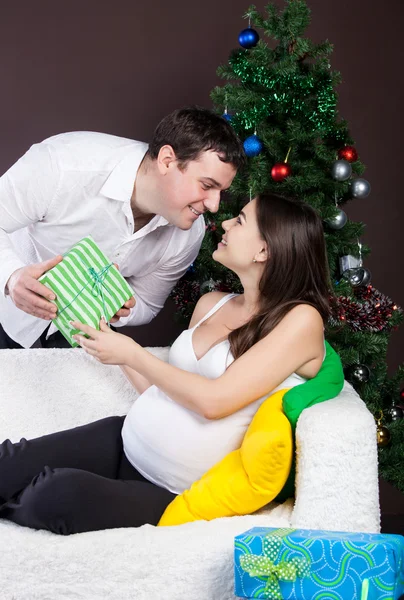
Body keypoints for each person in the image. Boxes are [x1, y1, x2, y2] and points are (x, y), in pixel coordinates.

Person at [0, 193, 330, 535]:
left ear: (265, 250)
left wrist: (131, 352)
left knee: (53, 495)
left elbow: (214, 402)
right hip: (125, 439)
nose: (227, 223)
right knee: (10, 462)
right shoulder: (212, 304)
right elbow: (168, 389)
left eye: (241, 220)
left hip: (169, 489)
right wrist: (106, 336)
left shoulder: (301, 321)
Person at [0, 106, 244, 349]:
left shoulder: (189, 234)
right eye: (206, 185)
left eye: (221, 191)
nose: (214, 205)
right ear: (167, 160)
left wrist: (119, 306)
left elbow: (147, 303)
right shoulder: (64, 164)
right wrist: (12, 277)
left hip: (80, 341)